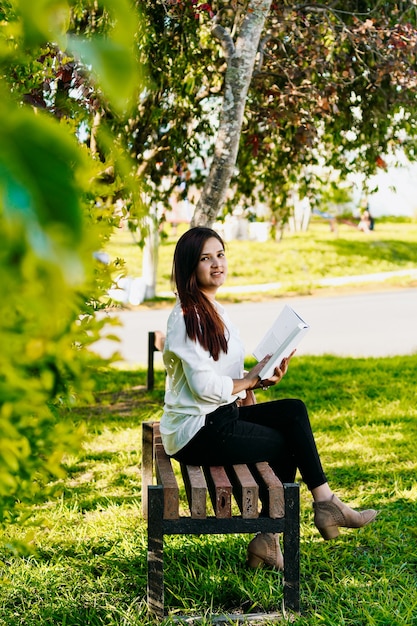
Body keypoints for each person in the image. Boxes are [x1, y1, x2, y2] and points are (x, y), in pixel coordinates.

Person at [160, 227, 378, 571]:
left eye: (220, 254)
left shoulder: (210, 308)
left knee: (293, 411)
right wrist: (247, 380)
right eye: (206, 258)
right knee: (284, 443)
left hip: (219, 416)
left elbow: (221, 372)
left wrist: (259, 378)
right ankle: (284, 528)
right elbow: (203, 387)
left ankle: (320, 505)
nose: (217, 264)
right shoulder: (188, 318)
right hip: (196, 432)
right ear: (190, 268)